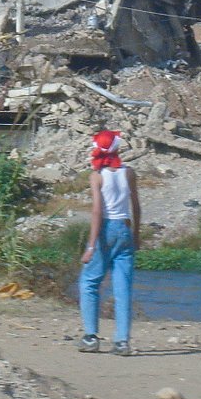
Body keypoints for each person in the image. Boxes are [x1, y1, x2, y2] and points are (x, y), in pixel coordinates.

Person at [78, 129, 141, 356]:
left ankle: (91, 337)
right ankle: (122, 341)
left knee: (89, 282)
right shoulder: (129, 173)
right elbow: (136, 206)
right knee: (122, 287)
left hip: (105, 229)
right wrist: (136, 234)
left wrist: (91, 245)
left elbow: (97, 211)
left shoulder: (97, 176)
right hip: (124, 227)